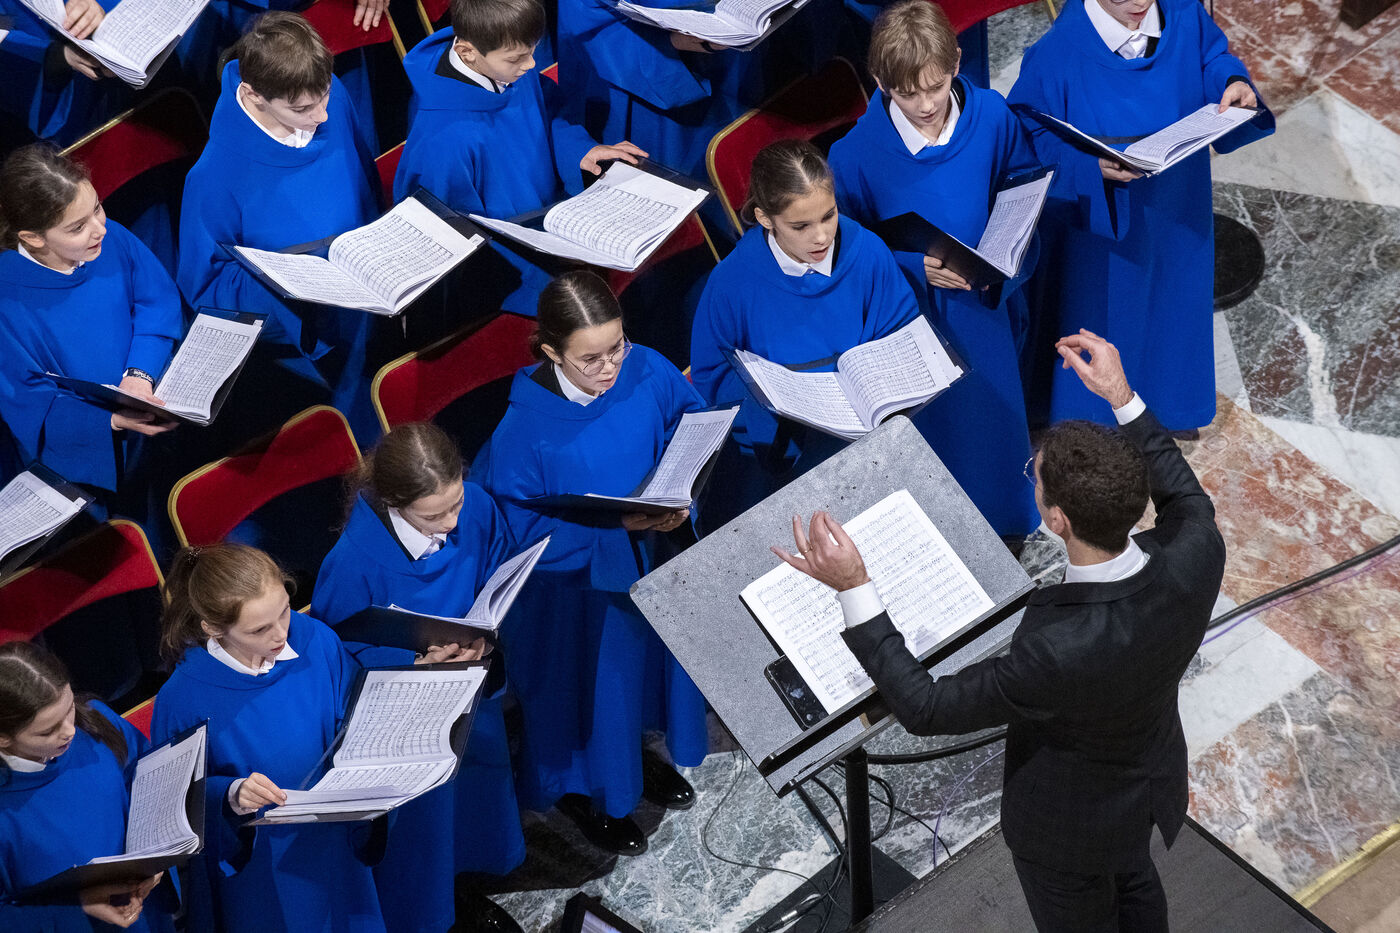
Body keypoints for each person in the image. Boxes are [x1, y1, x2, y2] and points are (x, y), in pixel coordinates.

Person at [774, 329, 1226, 932]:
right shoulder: (1198, 549)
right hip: (1144, 781)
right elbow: (1181, 487)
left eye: (1035, 475)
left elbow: (927, 707)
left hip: (1067, 830)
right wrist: (1122, 395)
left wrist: (854, 585)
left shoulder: (1061, 649)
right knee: (1134, 881)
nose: (1033, 478)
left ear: (1056, 519)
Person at [477, 270, 707, 856]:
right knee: (595, 691)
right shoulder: (524, 432)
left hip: (649, 556)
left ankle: (638, 754)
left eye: (616, 347)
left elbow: (689, 425)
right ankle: (593, 793)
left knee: (642, 676)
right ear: (551, 352)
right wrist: (614, 528)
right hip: (571, 593)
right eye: (590, 359)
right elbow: (518, 530)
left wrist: (680, 496)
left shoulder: (645, 367)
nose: (610, 368)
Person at [151, 543, 472, 933]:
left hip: (336, 836)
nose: (281, 634)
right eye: (259, 629)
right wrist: (231, 793)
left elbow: (351, 708)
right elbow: (173, 803)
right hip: (266, 865)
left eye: (285, 610)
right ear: (214, 629)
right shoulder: (183, 698)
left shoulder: (314, 638)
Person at [1009, 0, 1273, 433]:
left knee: (1172, 313)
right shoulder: (1056, 52)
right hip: (1106, 236)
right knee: (1111, 323)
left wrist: (1232, 81)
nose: (1137, 4)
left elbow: (1212, 57)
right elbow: (1027, 138)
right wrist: (1089, 167)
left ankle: (1167, 410)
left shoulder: (1184, 14)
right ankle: (1096, 428)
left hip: (1178, 210)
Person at [828, 0, 1039, 542]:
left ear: (956, 64)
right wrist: (911, 265)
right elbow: (845, 249)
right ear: (880, 82)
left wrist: (1005, 249)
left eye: (935, 87)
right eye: (907, 93)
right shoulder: (853, 156)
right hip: (913, 321)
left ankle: (1007, 524)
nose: (924, 105)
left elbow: (1021, 185)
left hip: (984, 308)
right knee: (937, 445)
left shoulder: (991, 116)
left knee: (994, 429)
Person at [312, 422, 525, 933]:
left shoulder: (475, 505)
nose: (452, 523)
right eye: (434, 516)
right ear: (394, 503)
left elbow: (499, 571)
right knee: (426, 824)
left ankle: (468, 884)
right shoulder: (352, 562)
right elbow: (337, 651)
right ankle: (434, 913)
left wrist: (485, 636)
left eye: (456, 504)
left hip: (471, 690)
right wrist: (412, 665)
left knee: (477, 791)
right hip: (407, 715)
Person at [176, 11, 385, 441]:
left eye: (325, 96)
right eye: (303, 109)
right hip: (304, 344)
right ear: (254, 95)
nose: (323, 115)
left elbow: (365, 182)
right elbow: (208, 288)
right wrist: (299, 293)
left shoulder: (327, 96)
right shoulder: (214, 175)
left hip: (368, 305)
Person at [689, 139, 920, 527]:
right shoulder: (732, 282)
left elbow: (900, 330)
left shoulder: (867, 252)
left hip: (867, 441)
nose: (822, 237)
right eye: (801, 226)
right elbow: (713, 376)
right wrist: (776, 402)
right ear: (765, 219)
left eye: (829, 216)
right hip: (784, 454)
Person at [394, 0, 644, 320]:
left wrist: (577, 149)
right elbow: (453, 236)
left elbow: (549, 108)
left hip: (553, 226)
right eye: (517, 58)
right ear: (467, 52)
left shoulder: (504, 58)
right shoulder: (442, 140)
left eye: (533, 50)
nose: (531, 64)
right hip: (509, 273)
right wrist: (548, 256)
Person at [0, 144, 181, 510]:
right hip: (90, 450)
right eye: (77, 227)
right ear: (33, 238)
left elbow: (155, 302)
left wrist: (139, 374)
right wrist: (111, 420)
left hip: (152, 400)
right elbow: (29, 402)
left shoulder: (111, 237)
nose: (100, 229)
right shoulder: (8, 302)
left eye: (97, 207)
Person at [0, 642, 173, 933]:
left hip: (148, 912)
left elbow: (152, 780)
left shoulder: (93, 721)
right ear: (3, 738)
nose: (69, 730)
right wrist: (78, 906)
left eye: (68, 709)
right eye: (47, 730)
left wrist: (159, 857)